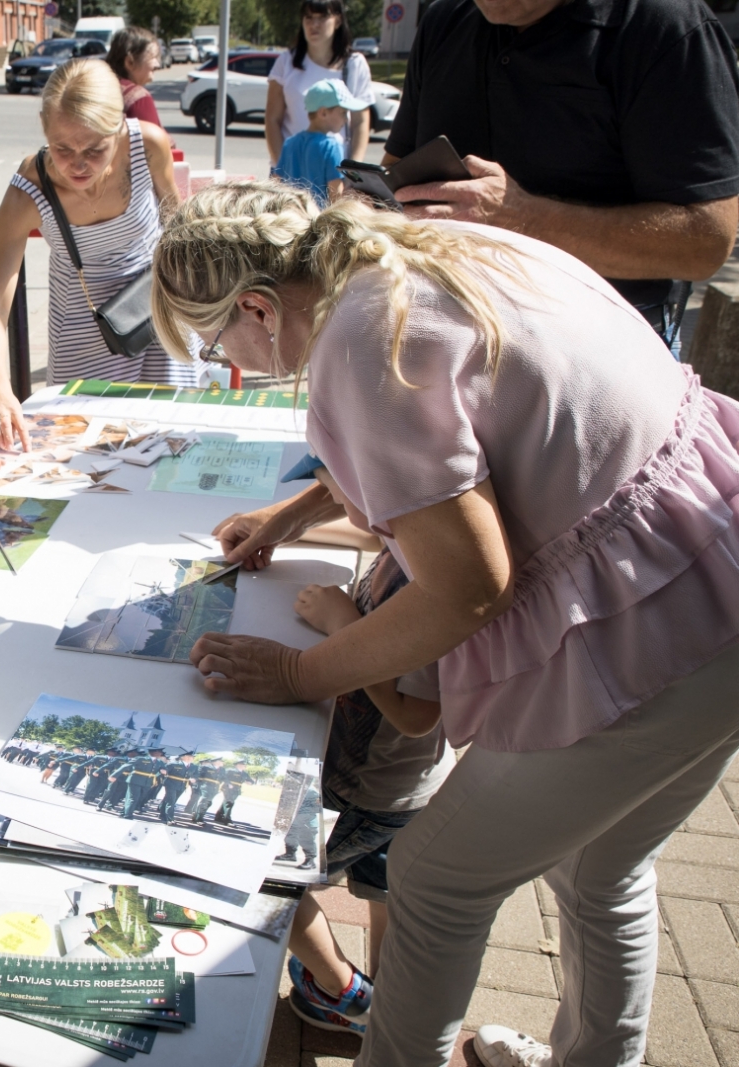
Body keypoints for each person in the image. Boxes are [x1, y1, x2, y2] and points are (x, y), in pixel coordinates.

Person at [151, 180, 739, 1067]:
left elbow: (468, 587)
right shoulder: (404, 250)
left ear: (260, 308)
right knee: (602, 867)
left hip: (657, 629)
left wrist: (301, 673)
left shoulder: (359, 341)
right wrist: (292, 517)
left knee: (432, 880)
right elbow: (450, 438)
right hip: (709, 560)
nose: (227, 362)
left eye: (214, 340)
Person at [382, 0, 739, 351]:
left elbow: (705, 243)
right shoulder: (445, 19)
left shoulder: (665, 24)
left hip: (602, 353)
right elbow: (397, 164)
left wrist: (524, 219)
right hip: (444, 335)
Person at [274, 463, 453, 1037]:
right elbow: (360, 533)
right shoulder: (410, 537)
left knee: (269, 881)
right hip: (400, 784)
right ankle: (391, 1002)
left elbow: (416, 711)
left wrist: (342, 623)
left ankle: (343, 992)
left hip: (370, 790)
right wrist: (274, 528)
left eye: (333, 484)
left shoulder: (428, 581)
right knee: (386, 889)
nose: (327, 496)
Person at [0, 59, 192, 450]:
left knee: (174, 445)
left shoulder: (148, 145)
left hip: (160, 317)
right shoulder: (28, 190)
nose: (78, 164)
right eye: (62, 148)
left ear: (118, 128)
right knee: (84, 457)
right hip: (84, 335)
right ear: (44, 127)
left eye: (95, 149)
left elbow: (179, 232)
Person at [265, 0, 374, 167]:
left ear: (337, 21)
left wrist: (353, 172)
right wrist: (282, 167)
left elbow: (360, 122)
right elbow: (272, 120)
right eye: (308, 17)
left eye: (322, 17)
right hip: (291, 170)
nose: (314, 24)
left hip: (334, 172)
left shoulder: (354, 64)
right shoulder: (286, 62)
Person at [273, 81, 371, 206]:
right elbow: (335, 193)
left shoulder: (290, 143)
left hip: (294, 217)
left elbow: (276, 181)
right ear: (323, 113)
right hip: (319, 220)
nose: (346, 118)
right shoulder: (331, 146)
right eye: (343, 112)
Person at [103, 26, 164, 128]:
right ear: (129, 62)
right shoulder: (138, 99)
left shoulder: (97, 87)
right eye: (152, 57)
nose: (157, 65)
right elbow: (156, 143)